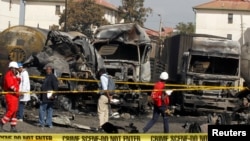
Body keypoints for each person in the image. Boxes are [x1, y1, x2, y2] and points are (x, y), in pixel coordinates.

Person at [0, 61, 20, 132]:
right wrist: (16, 90)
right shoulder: (9, 75)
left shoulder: (15, 75)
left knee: (15, 111)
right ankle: (1, 123)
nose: (16, 70)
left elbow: (17, 83)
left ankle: (13, 126)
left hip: (15, 95)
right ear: (12, 68)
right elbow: (10, 85)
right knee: (11, 110)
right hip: (10, 95)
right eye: (15, 68)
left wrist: (18, 77)